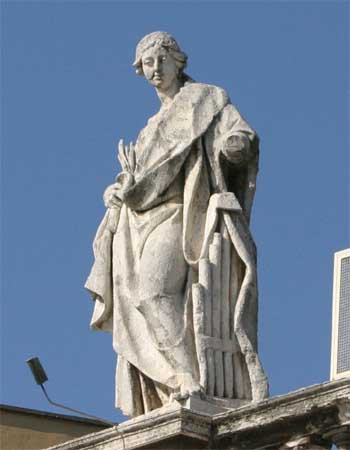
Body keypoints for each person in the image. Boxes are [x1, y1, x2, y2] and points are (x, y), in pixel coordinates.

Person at [85, 31, 268, 418]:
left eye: (159, 60)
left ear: (177, 60)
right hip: (136, 222)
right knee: (138, 302)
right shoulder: (148, 129)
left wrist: (235, 146)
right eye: (146, 64)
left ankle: (185, 378)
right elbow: (134, 177)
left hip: (181, 210)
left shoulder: (206, 99)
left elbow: (240, 134)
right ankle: (170, 388)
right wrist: (116, 191)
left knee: (153, 293)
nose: (154, 70)